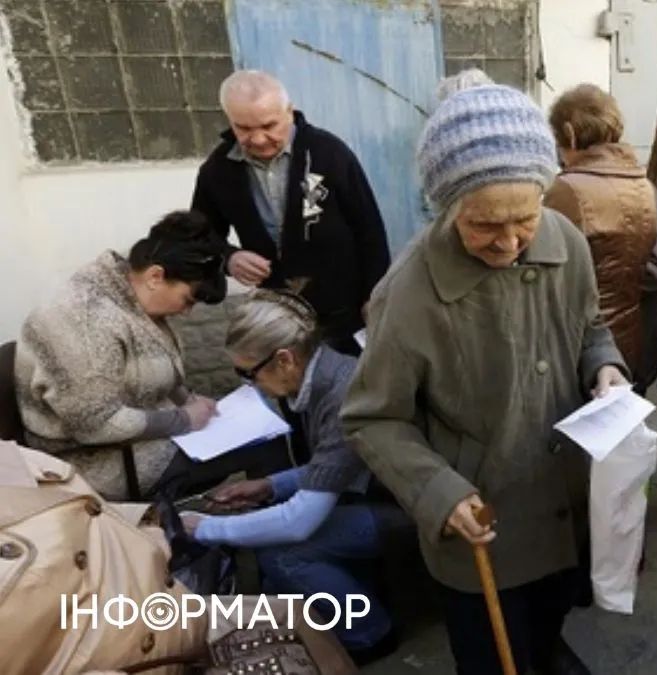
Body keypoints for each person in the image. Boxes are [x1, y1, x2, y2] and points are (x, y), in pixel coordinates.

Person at [341, 84, 627, 675]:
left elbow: (590, 326)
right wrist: (439, 494)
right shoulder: (410, 291)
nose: (510, 241)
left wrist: (605, 370)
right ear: (447, 207)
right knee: (494, 660)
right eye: (484, 225)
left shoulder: (566, 242)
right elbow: (373, 417)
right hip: (482, 529)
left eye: (524, 218)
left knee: (547, 633)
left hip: (564, 504)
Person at [179, 290, 402, 665]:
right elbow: (339, 464)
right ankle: (346, 610)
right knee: (275, 535)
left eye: (249, 373)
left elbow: (300, 522)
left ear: (284, 359)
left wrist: (203, 528)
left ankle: (369, 635)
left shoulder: (343, 392)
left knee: (282, 553)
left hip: (404, 509)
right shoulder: (330, 373)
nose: (251, 385)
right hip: (376, 494)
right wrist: (270, 485)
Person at [0, 440, 355, 674]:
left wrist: (155, 523)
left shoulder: (15, 457)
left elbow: (92, 509)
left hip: (151, 600)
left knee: (293, 611)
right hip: (127, 651)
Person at [14, 211, 229, 500]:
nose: (187, 312)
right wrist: (184, 419)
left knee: (259, 443)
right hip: (94, 465)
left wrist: (186, 399)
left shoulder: (131, 298)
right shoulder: (85, 320)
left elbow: (156, 371)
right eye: (187, 300)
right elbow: (96, 424)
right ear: (155, 276)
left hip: (136, 443)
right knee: (263, 449)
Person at [191, 70, 391, 355]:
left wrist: (375, 296)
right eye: (244, 129)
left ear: (289, 111)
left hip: (344, 311)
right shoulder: (218, 170)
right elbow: (198, 235)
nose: (258, 139)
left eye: (269, 125)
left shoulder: (328, 153)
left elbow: (369, 229)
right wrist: (229, 257)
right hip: (278, 317)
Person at [545, 83, 657, 394]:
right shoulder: (646, 189)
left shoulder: (562, 191)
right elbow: (655, 273)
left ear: (569, 135)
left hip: (576, 349)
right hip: (635, 344)